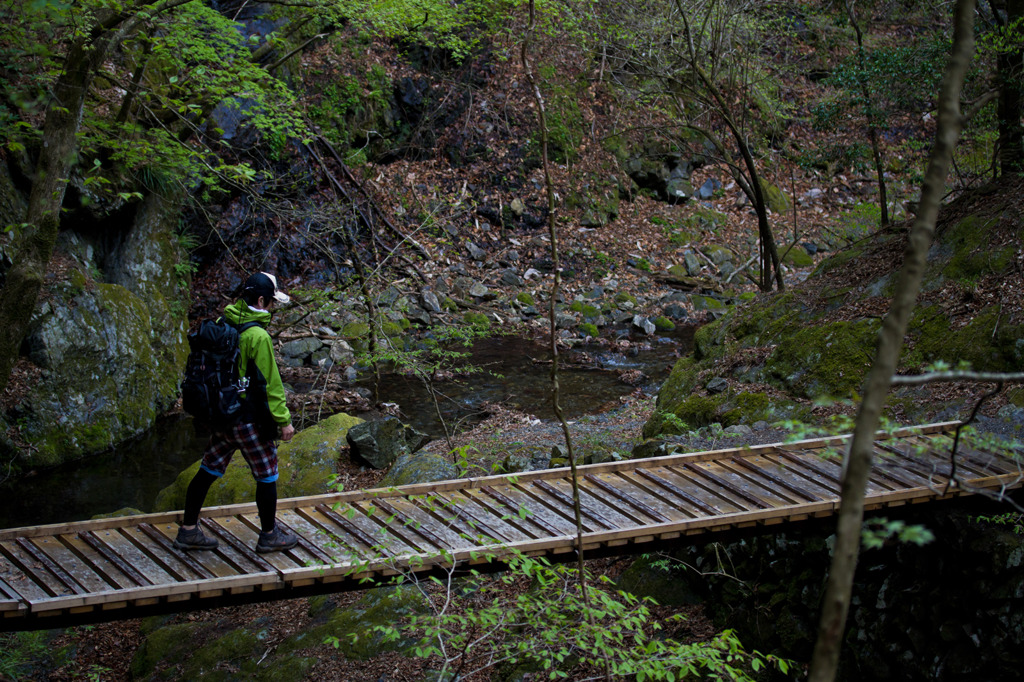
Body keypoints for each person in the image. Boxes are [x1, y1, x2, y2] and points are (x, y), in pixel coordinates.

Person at [174, 271, 299, 553]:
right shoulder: (258, 336)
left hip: (220, 416)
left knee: (208, 469)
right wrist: (284, 422)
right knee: (267, 474)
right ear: (260, 300)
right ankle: (269, 536)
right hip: (247, 421)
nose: (273, 307)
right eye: (271, 302)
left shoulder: (222, 322)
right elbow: (271, 385)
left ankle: (188, 530)